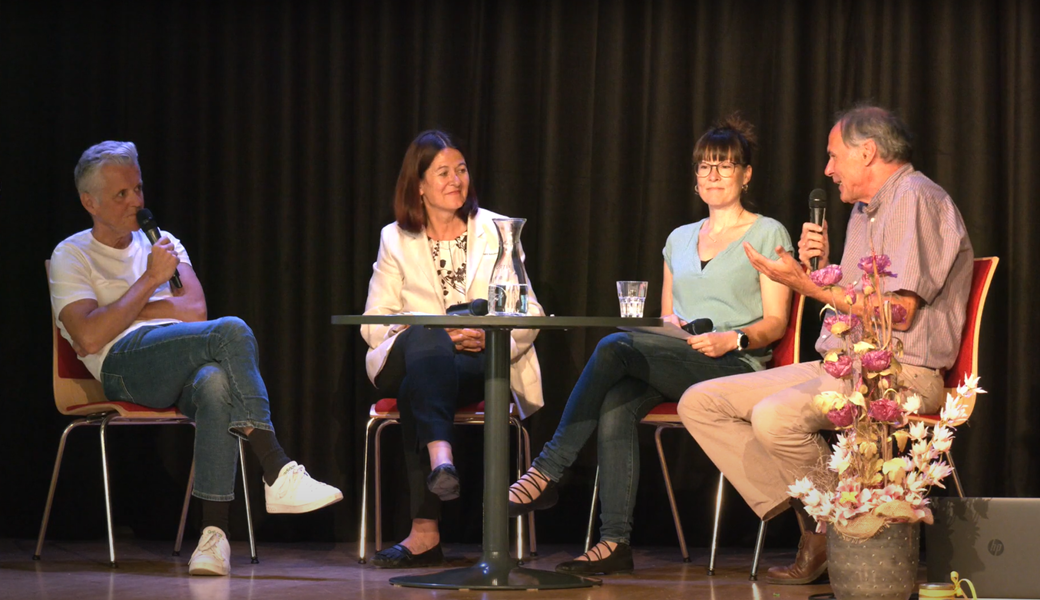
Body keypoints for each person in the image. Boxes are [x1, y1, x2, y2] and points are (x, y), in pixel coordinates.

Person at [678, 105, 974, 585]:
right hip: (843, 365)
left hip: (902, 372)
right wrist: (822, 266)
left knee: (773, 415)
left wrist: (806, 286)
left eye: (834, 156)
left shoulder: (915, 199)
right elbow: (857, 303)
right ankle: (826, 523)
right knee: (703, 402)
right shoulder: (864, 210)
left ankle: (833, 530)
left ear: (868, 152)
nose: (827, 169)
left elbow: (896, 313)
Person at [507, 116, 794, 575]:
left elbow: (777, 322)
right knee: (616, 403)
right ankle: (615, 542)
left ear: (746, 174)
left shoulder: (768, 233)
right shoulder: (678, 239)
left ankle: (547, 469)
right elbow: (666, 316)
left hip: (735, 365)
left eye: (724, 166)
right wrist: (671, 326)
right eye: (704, 166)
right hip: (679, 357)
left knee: (615, 348)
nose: (713, 175)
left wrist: (733, 337)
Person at [48, 141, 343, 577]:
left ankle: (212, 539)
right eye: (121, 195)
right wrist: (150, 282)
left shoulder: (163, 243)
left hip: (179, 356)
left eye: (138, 188)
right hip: (122, 368)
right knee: (234, 330)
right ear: (88, 202)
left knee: (216, 384)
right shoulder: (71, 255)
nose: (138, 201)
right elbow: (90, 335)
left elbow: (195, 312)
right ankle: (276, 467)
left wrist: (120, 309)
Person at [360, 130, 544, 568]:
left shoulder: (498, 231)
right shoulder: (395, 239)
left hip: (476, 362)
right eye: (443, 172)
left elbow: (530, 310)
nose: (456, 180)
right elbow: (374, 323)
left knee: (414, 391)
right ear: (418, 185)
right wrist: (440, 335)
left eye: (461, 170)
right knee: (426, 333)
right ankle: (441, 456)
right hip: (404, 356)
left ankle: (426, 528)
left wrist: (491, 336)